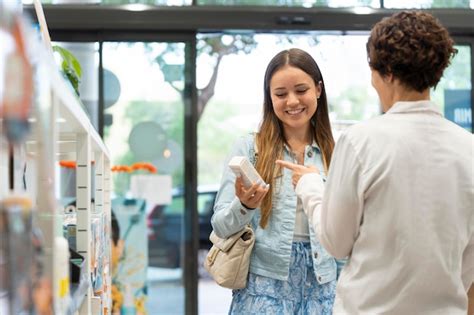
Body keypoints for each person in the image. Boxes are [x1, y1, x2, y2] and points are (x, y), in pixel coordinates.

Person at [278, 11, 474, 314]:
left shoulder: (360, 142)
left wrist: (310, 185)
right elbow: (468, 261)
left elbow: (335, 242)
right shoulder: (469, 148)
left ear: (388, 72)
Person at [211, 48, 344, 314]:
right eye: (281, 94)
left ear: (318, 89)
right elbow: (221, 226)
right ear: (270, 98)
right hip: (263, 288)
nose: (292, 101)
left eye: (301, 90)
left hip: (325, 288)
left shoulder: (340, 150)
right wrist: (245, 207)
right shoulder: (250, 148)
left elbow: (346, 231)